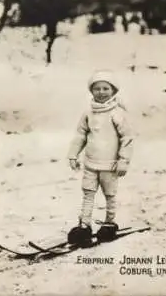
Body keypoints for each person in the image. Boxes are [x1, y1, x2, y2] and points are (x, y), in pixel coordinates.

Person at [67, 70, 134, 246]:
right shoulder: (89, 113)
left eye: (106, 88)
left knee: (109, 195)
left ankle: (109, 223)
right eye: (97, 88)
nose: (101, 92)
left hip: (110, 165)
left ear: (113, 91)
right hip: (90, 163)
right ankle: (84, 226)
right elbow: (80, 135)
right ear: (91, 91)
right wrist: (73, 154)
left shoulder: (117, 113)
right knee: (88, 194)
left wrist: (123, 160)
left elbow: (127, 139)